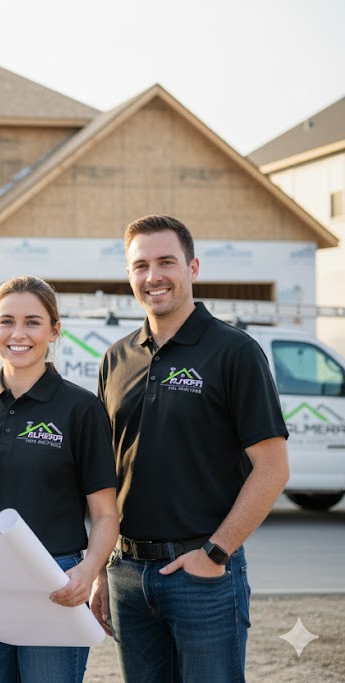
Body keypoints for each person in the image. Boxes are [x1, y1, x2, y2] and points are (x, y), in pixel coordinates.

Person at [90, 215, 290, 682]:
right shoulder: (116, 358)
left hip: (203, 576)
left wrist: (215, 555)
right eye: (140, 265)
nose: (153, 276)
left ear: (192, 267)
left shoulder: (234, 351)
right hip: (126, 574)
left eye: (166, 262)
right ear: (129, 275)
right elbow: (105, 473)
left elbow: (272, 468)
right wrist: (101, 567)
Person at [0, 275, 118, 682]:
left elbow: (106, 514)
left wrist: (87, 571)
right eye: (7, 322)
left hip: (56, 581)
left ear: (54, 330)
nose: (19, 334)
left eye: (33, 322)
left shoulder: (81, 409)